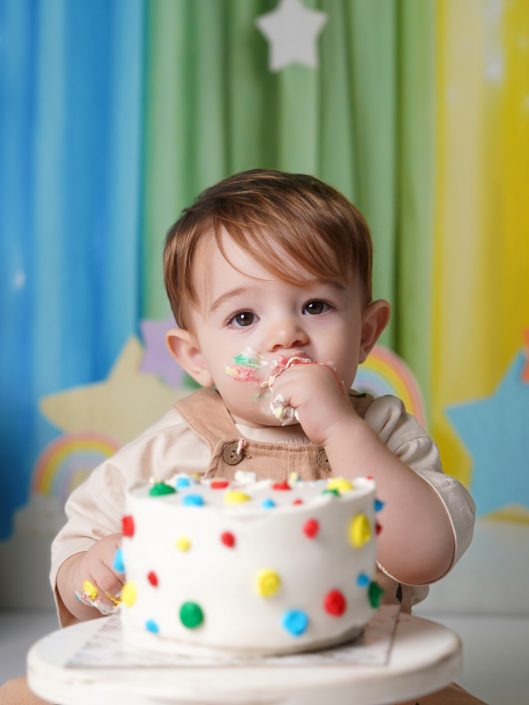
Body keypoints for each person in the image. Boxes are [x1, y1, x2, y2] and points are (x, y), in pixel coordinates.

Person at [3, 169, 484, 705]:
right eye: (244, 316)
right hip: (190, 683)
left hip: (353, 678)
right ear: (195, 357)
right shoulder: (168, 448)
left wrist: (341, 429)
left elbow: (426, 554)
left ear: (366, 332)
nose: (285, 335)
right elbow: (79, 565)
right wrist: (89, 572)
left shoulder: (383, 432)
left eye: (316, 306)